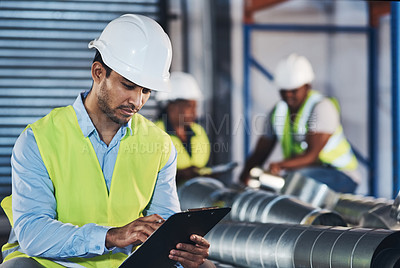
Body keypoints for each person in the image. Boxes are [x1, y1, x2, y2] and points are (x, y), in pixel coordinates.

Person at [0, 14, 212, 268]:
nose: (137, 101)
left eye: (146, 91)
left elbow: (162, 225)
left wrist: (182, 250)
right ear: (98, 72)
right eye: (128, 85)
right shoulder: (39, 139)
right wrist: (111, 236)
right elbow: (33, 232)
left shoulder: (159, 144)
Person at [239, 53, 360, 193]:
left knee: (295, 181)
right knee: (271, 181)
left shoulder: (322, 107)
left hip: (340, 174)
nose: (288, 95)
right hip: (303, 172)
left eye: (294, 90)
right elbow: (260, 152)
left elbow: (311, 156)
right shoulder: (277, 112)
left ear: (307, 86)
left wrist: (280, 165)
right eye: (284, 91)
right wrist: (244, 179)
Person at [155, 72, 211, 186]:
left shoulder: (198, 131)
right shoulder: (155, 132)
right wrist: (180, 174)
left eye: (196, 107)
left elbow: (203, 167)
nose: (194, 113)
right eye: (189, 106)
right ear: (172, 106)